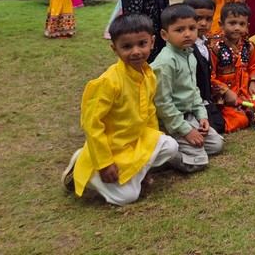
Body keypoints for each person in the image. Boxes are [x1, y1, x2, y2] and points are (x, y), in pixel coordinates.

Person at [62, 14, 179, 205]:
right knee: (127, 197)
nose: (136, 52)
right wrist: (104, 163)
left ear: (152, 42)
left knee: (170, 146)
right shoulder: (108, 82)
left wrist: (149, 151)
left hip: (135, 141)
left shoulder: (148, 74)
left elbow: (150, 113)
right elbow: (92, 125)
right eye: (126, 47)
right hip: (112, 147)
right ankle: (86, 168)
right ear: (114, 48)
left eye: (142, 43)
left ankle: (135, 173)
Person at [151, 4, 224, 173]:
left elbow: (193, 90)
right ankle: (161, 156)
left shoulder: (189, 54)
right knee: (198, 162)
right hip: (171, 121)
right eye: (179, 30)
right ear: (164, 35)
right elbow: (163, 104)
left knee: (216, 145)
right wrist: (186, 131)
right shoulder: (165, 62)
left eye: (192, 28)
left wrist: (202, 116)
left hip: (189, 115)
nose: (188, 34)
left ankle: (183, 146)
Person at [207, 2, 255, 131]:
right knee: (240, 120)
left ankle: (247, 115)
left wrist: (253, 83)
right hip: (225, 98)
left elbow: (254, 67)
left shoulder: (249, 47)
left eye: (241, 24)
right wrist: (226, 92)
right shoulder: (215, 48)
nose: (237, 28)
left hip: (244, 93)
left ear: (247, 27)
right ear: (221, 25)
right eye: (232, 23)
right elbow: (211, 76)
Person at [181, 0, 226, 135]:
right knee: (213, 130)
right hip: (190, 103)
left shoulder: (205, 43)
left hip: (205, 100)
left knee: (220, 125)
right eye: (198, 18)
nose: (203, 23)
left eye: (208, 19)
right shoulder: (185, 48)